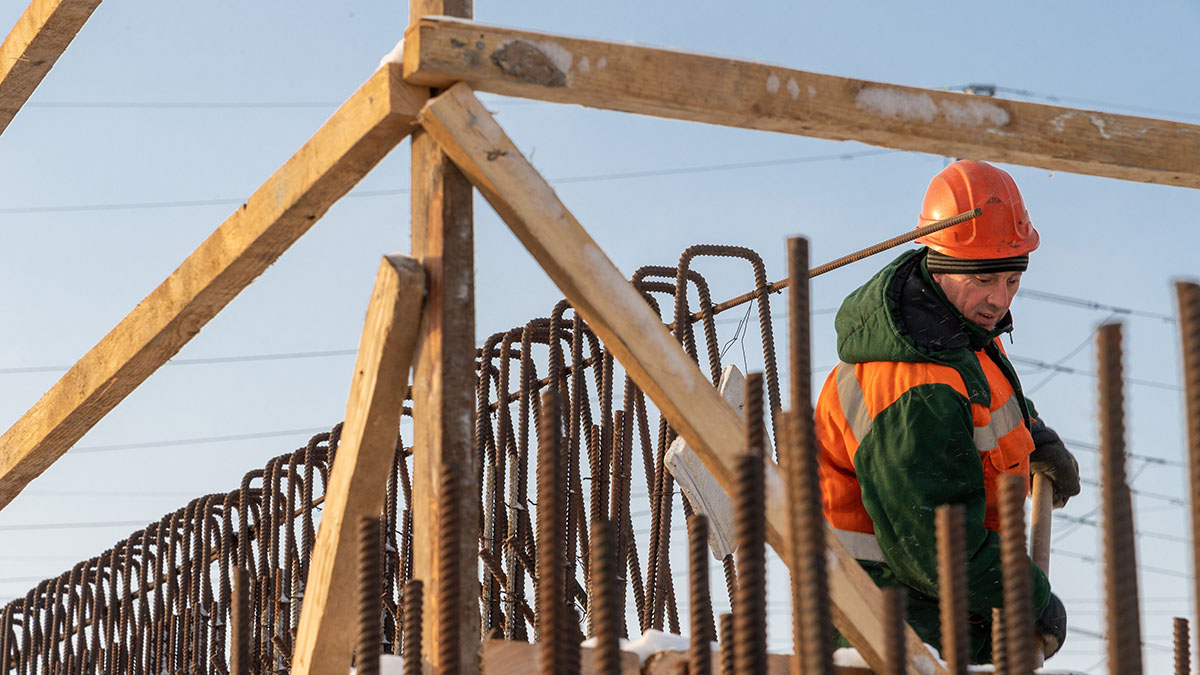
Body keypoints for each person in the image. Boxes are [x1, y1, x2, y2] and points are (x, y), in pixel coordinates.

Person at [813, 159, 1080, 663]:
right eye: (985, 281)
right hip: (891, 632)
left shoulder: (953, 331)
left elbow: (987, 405)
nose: (999, 300)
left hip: (950, 616)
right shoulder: (915, 386)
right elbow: (936, 550)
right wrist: (1033, 601)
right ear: (941, 265)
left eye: (1012, 280)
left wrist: (1034, 436)